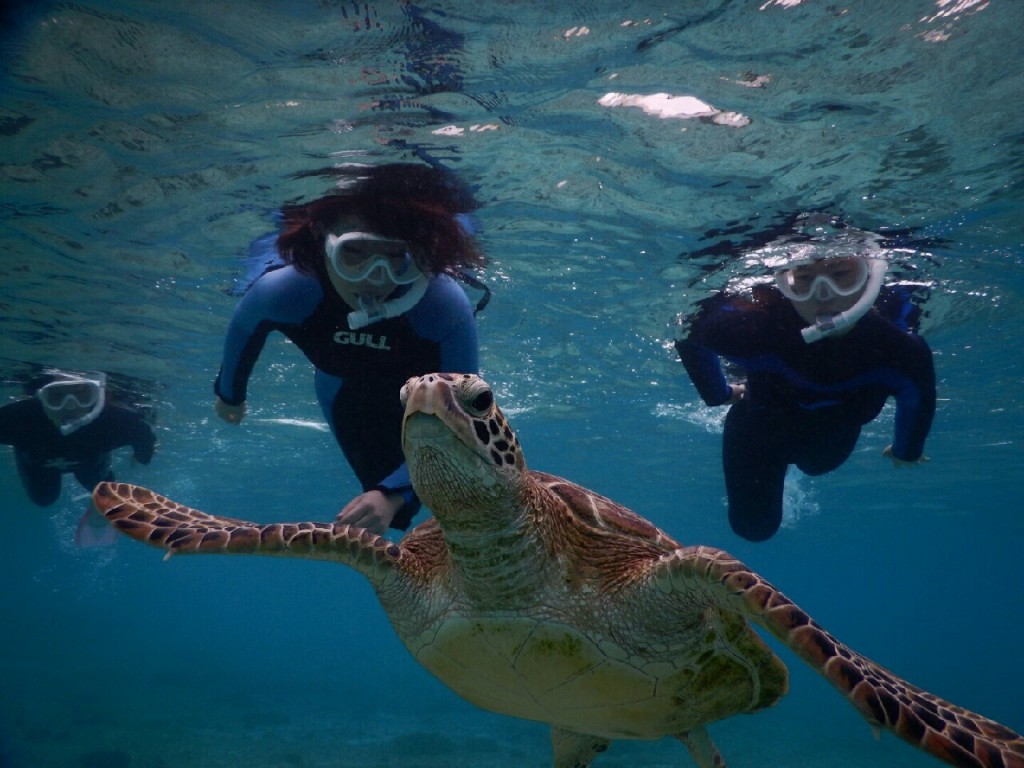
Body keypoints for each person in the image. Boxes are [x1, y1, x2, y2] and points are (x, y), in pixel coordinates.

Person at [214, 163, 486, 535]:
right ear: (322, 238)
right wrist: (229, 394)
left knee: (401, 498)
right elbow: (245, 328)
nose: (375, 279)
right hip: (341, 390)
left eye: (396, 257)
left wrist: (394, 494)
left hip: (414, 403)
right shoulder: (286, 290)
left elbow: (463, 421)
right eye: (354, 252)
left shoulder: (444, 306)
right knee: (379, 500)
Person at [676, 247, 935, 542]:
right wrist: (718, 394)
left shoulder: (900, 350)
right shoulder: (754, 331)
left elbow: (918, 401)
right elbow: (689, 333)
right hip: (756, 433)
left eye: (841, 274)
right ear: (786, 283)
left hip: (831, 438)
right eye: (804, 278)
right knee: (754, 528)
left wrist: (907, 450)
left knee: (816, 467)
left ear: (870, 278)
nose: (822, 294)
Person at [0, 370, 157, 546]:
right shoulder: (17, 419)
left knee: (107, 497)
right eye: (56, 396)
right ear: (40, 398)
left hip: (88, 461)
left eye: (83, 395)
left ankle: (97, 508)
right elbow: (143, 434)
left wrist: (142, 454)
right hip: (39, 462)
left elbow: (143, 434)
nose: (69, 407)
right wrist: (141, 455)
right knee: (44, 499)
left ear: (97, 397)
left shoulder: (114, 421)